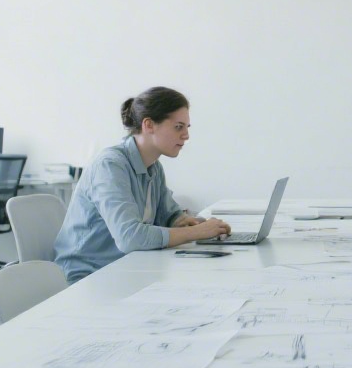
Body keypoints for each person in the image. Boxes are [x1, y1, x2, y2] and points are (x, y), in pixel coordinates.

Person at [55, 86, 231, 283]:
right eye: (178, 127)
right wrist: (194, 233)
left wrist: (186, 222)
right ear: (149, 125)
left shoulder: (153, 167)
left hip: (126, 267)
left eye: (187, 128)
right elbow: (130, 237)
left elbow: (169, 215)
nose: (186, 136)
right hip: (88, 275)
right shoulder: (110, 165)